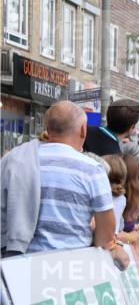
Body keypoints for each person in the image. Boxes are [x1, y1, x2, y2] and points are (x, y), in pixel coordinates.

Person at [0, 101, 125, 266]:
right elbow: (105, 236)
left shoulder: (16, 159)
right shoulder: (92, 170)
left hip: (19, 265)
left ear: (47, 127)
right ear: (83, 129)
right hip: (70, 269)